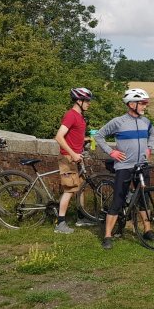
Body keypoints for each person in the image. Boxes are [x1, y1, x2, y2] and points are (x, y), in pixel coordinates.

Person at [94, 88, 154, 250]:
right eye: (142, 103)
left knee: (144, 199)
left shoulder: (146, 122)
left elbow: (153, 134)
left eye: (145, 103)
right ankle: (107, 235)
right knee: (118, 200)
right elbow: (99, 136)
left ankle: (148, 230)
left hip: (142, 166)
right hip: (124, 166)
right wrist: (111, 151)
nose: (145, 106)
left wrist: (149, 147)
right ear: (131, 104)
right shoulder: (118, 122)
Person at [53, 87, 95, 234]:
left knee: (81, 187)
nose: (89, 103)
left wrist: (86, 140)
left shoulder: (80, 116)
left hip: (75, 157)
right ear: (79, 100)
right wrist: (73, 154)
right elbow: (59, 137)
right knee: (70, 190)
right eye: (87, 101)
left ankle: (81, 216)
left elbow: (73, 136)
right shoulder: (71, 115)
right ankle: (60, 223)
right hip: (68, 158)